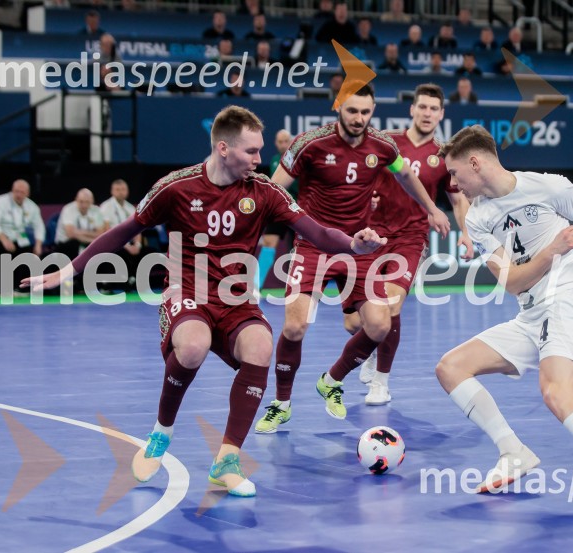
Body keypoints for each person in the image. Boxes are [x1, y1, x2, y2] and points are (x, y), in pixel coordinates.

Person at [23, 105, 387, 497]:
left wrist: (352, 244)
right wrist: (68, 271)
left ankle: (226, 461)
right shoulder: (176, 187)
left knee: (261, 347)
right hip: (187, 292)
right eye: (251, 151)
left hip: (237, 300)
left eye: (259, 150)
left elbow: (314, 232)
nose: (259, 159)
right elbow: (123, 231)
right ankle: (161, 432)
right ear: (223, 148)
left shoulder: (264, 191)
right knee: (193, 346)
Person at [434, 124, 573, 508]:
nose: (452, 182)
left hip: (565, 301)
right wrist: (551, 251)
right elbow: (512, 284)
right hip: (529, 313)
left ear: (475, 162)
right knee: (450, 368)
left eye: (454, 172)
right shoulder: (478, 219)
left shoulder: (549, 186)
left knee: (555, 392)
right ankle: (512, 452)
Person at [253, 84, 450, 431]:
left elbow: (406, 176)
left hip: (357, 248)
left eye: (365, 112)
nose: (359, 119)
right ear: (338, 107)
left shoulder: (383, 146)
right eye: (352, 111)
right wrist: (278, 223)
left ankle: (331, 380)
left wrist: (432, 208)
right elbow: (274, 188)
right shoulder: (309, 143)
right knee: (295, 327)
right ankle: (281, 403)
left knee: (379, 324)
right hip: (313, 245)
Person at [344, 84, 473, 405]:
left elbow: (458, 202)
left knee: (391, 304)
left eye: (434, 109)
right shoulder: (386, 142)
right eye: (423, 107)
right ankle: (371, 347)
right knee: (354, 322)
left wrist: (467, 233)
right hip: (370, 235)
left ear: (441, 115)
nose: (428, 113)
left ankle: (381, 381)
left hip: (411, 238)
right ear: (412, 110)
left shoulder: (443, 156)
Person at [0, 179, 45, 295]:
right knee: (4, 252)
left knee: (28, 254)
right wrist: (3, 239)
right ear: (12, 190)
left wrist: (38, 244)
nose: (19, 195)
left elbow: (39, 226)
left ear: (27, 193)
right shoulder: (0, 202)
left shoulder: (32, 207)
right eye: (16, 191)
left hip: (17, 238)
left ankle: (18, 288)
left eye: (22, 192)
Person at [254, 129, 298, 291]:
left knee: (297, 251)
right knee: (268, 242)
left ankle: (297, 287)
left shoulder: (298, 160)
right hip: (278, 210)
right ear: (275, 143)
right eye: (280, 141)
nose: (283, 144)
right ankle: (255, 286)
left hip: (296, 211)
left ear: (291, 142)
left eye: (286, 141)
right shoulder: (273, 160)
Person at [100, 178, 142, 289]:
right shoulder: (106, 207)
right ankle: (121, 282)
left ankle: (135, 280)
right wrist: (127, 246)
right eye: (117, 189)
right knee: (122, 252)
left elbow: (138, 229)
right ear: (112, 191)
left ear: (127, 191)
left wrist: (137, 245)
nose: (120, 192)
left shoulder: (131, 208)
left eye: (123, 189)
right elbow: (107, 231)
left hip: (129, 242)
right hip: (113, 243)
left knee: (146, 252)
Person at [54, 188, 108, 260]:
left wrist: (78, 232)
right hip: (65, 244)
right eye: (81, 202)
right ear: (76, 199)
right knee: (74, 243)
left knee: (102, 247)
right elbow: (70, 234)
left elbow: (100, 233)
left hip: (87, 243)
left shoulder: (96, 210)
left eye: (87, 202)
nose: (84, 205)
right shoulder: (68, 209)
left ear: (92, 201)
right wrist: (92, 240)